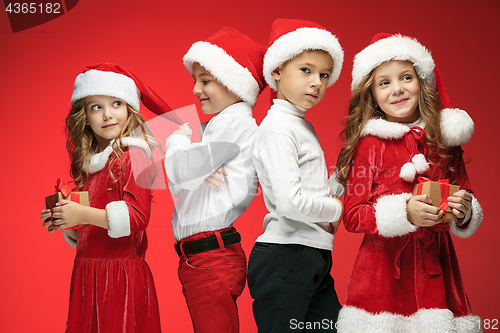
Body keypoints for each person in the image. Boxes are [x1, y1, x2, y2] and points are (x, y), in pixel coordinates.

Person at [335, 33, 483, 332]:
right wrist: (403, 213)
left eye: (406, 77)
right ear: (372, 95)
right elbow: (352, 214)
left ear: (422, 84)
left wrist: (464, 210)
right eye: (384, 82)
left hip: (437, 273)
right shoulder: (370, 144)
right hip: (383, 275)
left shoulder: (444, 142)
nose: (397, 89)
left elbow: (465, 192)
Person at [40, 63, 172, 333]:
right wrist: (67, 220)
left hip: (120, 279)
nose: (108, 115)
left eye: (116, 104)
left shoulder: (136, 155)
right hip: (89, 274)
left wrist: (83, 214)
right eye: (96, 107)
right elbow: (93, 231)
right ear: (85, 117)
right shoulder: (91, 165)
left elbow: (138, 217)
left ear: (129, 110)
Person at [163, 27, 266, 333]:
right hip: (204, 257)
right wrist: (194, 164)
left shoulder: (234, 124)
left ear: (235, 83)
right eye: (195, 80)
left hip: (209, 256)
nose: (196, 89)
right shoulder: (220, 128)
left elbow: (179, 171)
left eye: (205, 80)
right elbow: (180, 183)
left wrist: (178, 143)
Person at [247, 18, 344, 332]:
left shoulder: (299, 124)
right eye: (306, 70)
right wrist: (337, 209)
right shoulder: (279, 128)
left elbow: (311, 190)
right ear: (277, 70)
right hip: (286, 257)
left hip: (311, 253)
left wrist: (342, 178)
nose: (316, 82)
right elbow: (290, 203)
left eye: (324, 74)